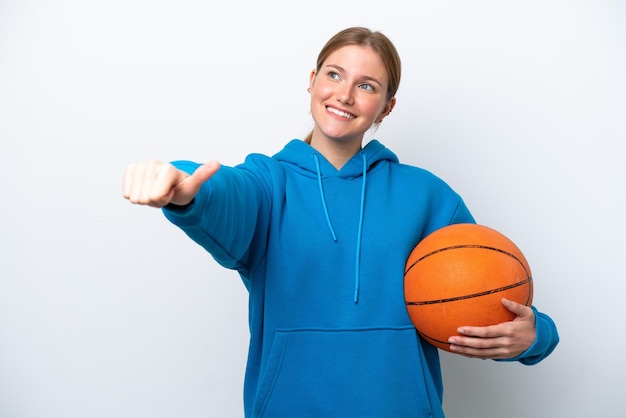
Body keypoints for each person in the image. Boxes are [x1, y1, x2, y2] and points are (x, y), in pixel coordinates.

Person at [123, 26, 559, 418]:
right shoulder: (267, 185)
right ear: (312, 82)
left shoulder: (427, 196)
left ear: (386, 108)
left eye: (366, 86)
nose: (345, 95)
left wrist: (536, 335)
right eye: (334, 75)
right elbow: (222, 193)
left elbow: (484, 291)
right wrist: (182, 185)